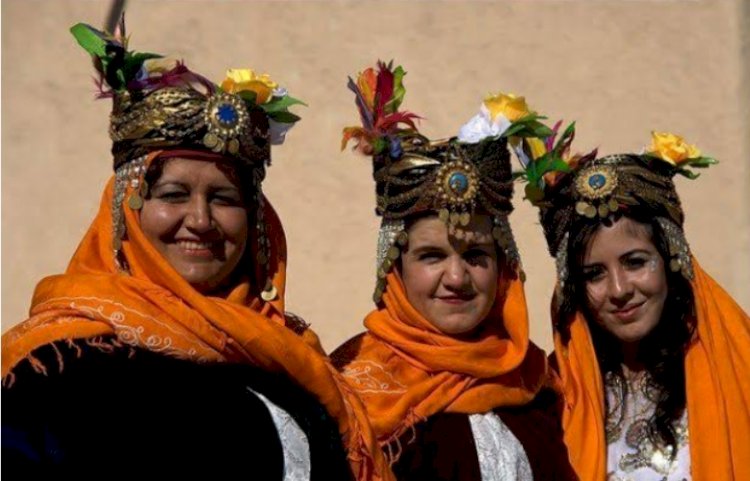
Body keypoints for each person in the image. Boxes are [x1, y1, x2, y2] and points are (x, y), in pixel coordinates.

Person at [1, 21, 391, 481]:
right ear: (128, 210)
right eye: (173, 194)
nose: (201, 221)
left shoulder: (292, 366)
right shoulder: (60, 369)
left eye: (224, 199)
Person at [332, 61, 577, 480]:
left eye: (477, 256)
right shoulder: (349, 393)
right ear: (395, 267)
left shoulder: (538, 386)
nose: (458, 278)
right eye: (431, 256)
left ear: (505, 269)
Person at [517, 128, 750, 480]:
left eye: (635, 262)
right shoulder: (552, 397)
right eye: (594, 274)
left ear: (672, 259)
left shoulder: (739, 366)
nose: (619, 289)